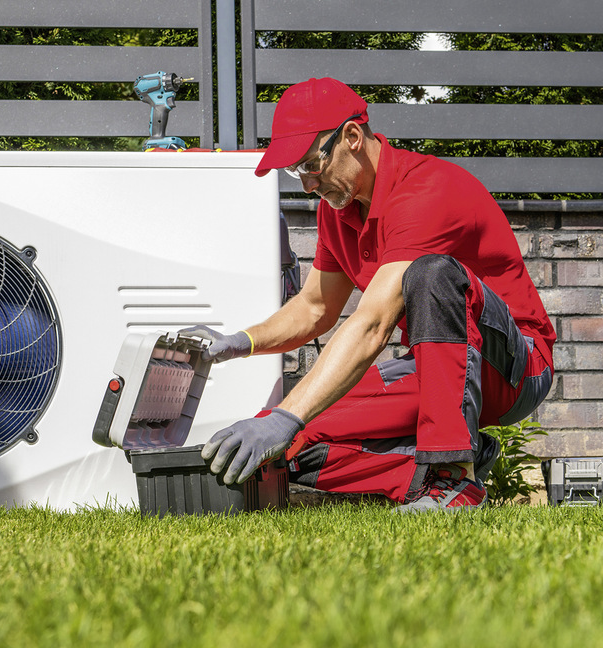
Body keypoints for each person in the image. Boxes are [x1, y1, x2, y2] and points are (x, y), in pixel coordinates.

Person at [182, 77, 555, 512]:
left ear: (352, 137)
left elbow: (373, 321)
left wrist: (288, 414)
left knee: (431, 274)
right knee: (287, 447)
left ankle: (453, 478)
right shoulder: (336, 212)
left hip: (515, 368)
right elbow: (314, 307)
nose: (306, 185)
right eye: (295, 172)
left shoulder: (428, 191)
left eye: (310, 165)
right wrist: (239, 343)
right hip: (437, 372)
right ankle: (449, 464)